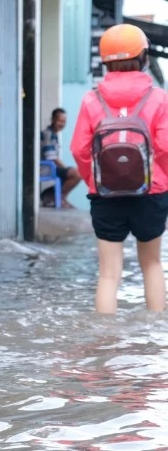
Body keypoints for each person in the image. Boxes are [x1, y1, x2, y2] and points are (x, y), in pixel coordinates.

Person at [70, 23, 168, 314]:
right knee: (151, 265)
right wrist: (160, 180)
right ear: (143, 58)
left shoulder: (91, 99)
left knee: (108, 274)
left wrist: (95, 181)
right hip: (151, 193)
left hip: (105, 195)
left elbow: (79, 149)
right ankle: (154, 339)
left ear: (105, 61)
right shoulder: (159, 98)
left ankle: (105, 343)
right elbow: (164, 147)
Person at [40, 108, 81, 208]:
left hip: (51, 167)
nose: (62, 124)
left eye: (64, 122)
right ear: (52, 119)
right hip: (45, 167)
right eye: (60, 121)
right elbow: (52, 157)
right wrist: (66, 169)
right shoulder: (48, 134)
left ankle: (52, 195)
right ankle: (58, 197)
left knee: (76, 173)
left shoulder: (54, 135)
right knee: (77, 174)